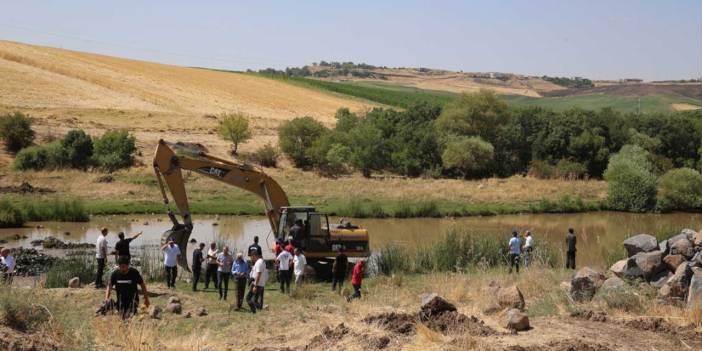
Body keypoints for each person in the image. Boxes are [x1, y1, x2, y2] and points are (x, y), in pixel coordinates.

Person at [247, 249, 268, 314]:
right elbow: (256, 273)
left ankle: (254, 311)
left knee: (248, 298)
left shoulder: (259, 262)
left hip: (257, 284)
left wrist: (255, 286)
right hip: (259, 284)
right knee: (255, 300)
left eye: (251, 256)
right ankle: (260, 308)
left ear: (254, 255)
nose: (251, 258)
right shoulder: (260, 262)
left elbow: (259, 274)